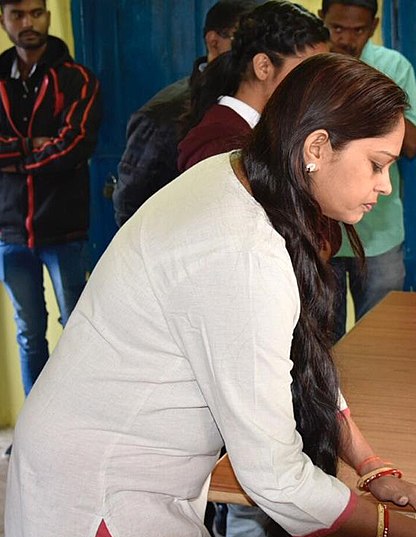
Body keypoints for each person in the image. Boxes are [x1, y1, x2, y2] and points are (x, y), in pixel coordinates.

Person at [6, 53, 416, 537]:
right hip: (101, 490)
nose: (385, 184)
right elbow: (275, 476)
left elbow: (295, 355)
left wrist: (370, 466)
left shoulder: (245, 175)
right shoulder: (241, 249)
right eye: (376, 163)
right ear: (317, 148)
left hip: (114, 462)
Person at [177, 4, 329, 537]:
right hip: (236, 343)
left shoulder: (261, 135)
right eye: (305, 73)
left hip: (263, 335)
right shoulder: (222, 141)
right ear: (263, 67)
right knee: (248, 498)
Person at [0, 0, 101, 404]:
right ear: (3, 19)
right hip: (9, 233)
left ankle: (85, 420)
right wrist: (31, 146)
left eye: (37, 12)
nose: (29, 23)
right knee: (29, 335)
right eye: (18, 15)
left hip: (64, 229)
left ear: (47, 14)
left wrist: (11, 157)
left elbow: (75, 145)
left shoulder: (77, 79)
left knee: (79, 329)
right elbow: (54, 149)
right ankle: (35, 430)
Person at [318, 0, 416, 339]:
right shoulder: (311, 68)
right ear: (322, 20)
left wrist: (369, 89)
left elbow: (412, 146)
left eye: (359, 30)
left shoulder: (392, 65)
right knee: (320, 340)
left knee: (382, 337)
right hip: (320, 230)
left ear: (375, 24)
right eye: (337, 28)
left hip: (379, 231)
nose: (347, 40)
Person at [112, 0, 257, 227]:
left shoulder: (263, 104)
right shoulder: (162, 114)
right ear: (214, 42)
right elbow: (130, 204)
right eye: (245, 42)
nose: (257, 54)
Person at [178, 0, 328, 173]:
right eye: (306, 72)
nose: (316, 85)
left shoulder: (256, 135)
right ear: (263, 66)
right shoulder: (222, 148)